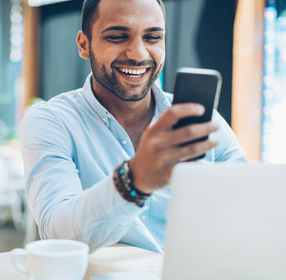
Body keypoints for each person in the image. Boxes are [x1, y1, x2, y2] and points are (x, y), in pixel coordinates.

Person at [20, 0, 246, 253]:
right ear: (84, 45)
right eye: (117, 37)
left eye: (152, 37)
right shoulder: (52, 121)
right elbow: (57, 233)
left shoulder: (204, 122)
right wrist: (134, 180)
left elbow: (249, 205)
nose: (138, 54)